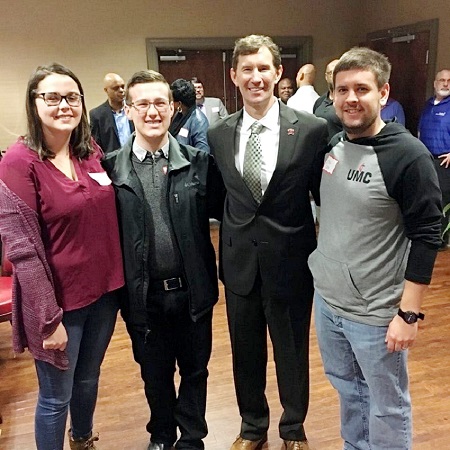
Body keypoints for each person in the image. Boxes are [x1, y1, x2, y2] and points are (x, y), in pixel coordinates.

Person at [308, 47, 442, 450]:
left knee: (387, 405)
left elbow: (428, 234)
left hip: (376, 315)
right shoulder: (334, 144)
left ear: (383, 94)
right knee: (349, 393)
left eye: (362, 89)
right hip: (329, 303)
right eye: (342, 90)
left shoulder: (408, 156)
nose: (351, 99)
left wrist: (408, 313)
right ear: (332, 96)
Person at [208, 34, 328, 450]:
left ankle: (293, 429)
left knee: (292, 354)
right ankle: (252, 426)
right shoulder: (218, 134)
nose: (255, 77)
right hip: (240, 264)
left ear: (279, 73)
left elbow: (324, 198)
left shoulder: (312, 130)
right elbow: (217, 196)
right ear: (234, 75)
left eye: (264, 68)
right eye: (247, 69)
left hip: (293, 262)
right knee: (246, 354)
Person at [0, 63, 124, 450]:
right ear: (34, 103)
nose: (64, 105)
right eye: (52, 97)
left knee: (89, 377)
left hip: (104, 293)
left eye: (72, 97)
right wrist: (47, 319)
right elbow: (21, 251)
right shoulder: (19, 162)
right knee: (55, 397)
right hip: (58, 303)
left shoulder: (89, 151)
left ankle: (83, 438)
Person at [102, 70, 225, 450]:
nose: (152, 111)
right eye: (143, 103)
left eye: (160, 103)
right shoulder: (110, 169)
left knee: (195, 371)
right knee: (154, 374)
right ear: (128, 110)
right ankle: (160, 435)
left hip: (193, 291)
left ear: (173, 108)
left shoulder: (200, 162)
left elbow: (229, 216)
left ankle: (191, 438)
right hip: (142, 295)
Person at [419, 69, 450, 247]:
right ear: (435, 83)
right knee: (426, 198)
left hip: (444, 162)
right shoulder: (429, 104)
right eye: (442, 80)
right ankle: (426, 235)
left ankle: (440, 240)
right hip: (427, 160)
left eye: (449, 80)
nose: (445, 84)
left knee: (441, 201)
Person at [89, 73, 134, 153]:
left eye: (122, 87)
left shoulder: (133, 109)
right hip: (111, 163)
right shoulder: (97, 115)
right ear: (106, 90)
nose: (121, 90)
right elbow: (96, 147)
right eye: (116, 88)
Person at [169, 79, 210, 153]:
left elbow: (203, 154)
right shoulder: (179, 115)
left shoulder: (199, 121)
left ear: (179, 104)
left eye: (172, 100)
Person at [313, 59, 343, 140]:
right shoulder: (320, 101)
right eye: (330, 72)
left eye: (336, 72)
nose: (333, 75)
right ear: (326, 76)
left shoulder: (347, 100)